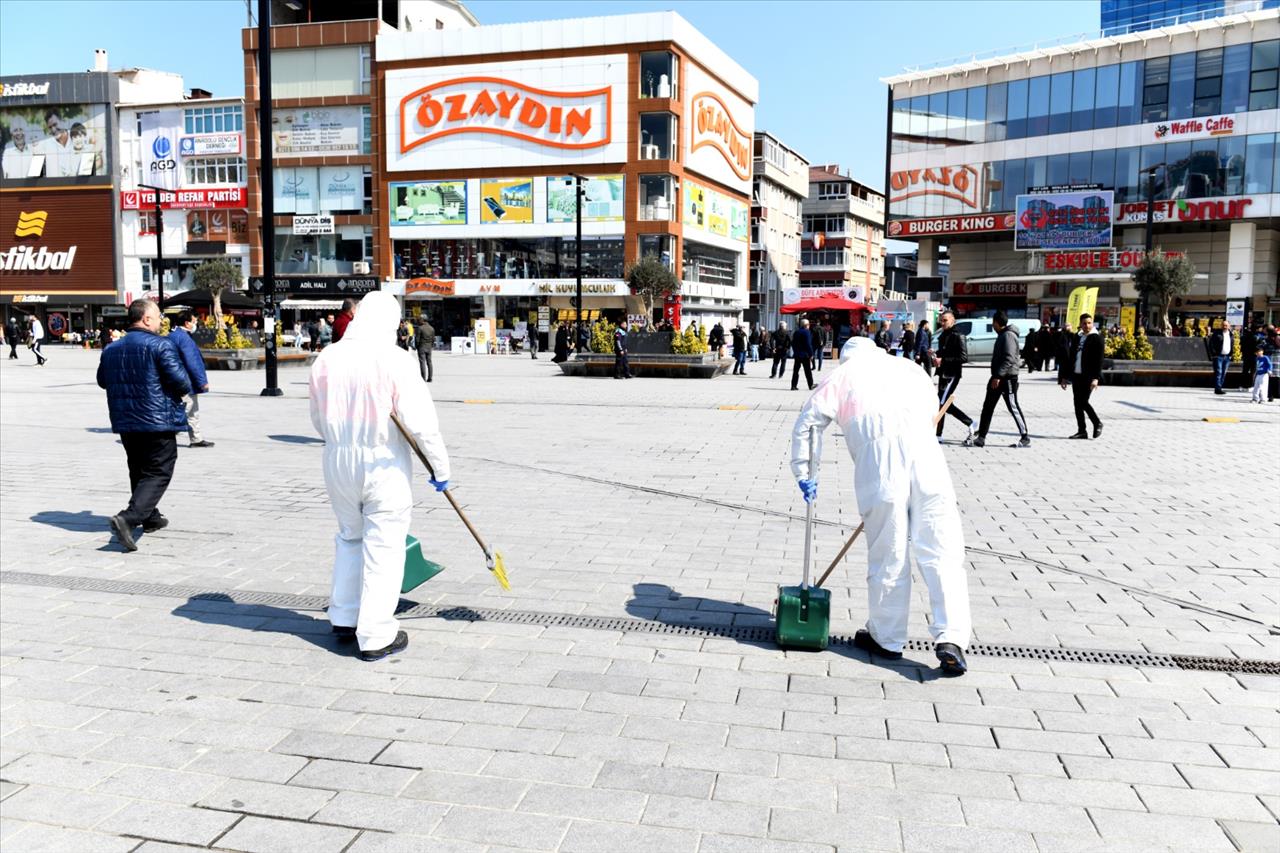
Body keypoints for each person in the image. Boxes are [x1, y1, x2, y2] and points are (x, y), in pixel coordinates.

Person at [791, 337, 972, 676]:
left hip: (880, 468)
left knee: (889, 551)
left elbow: (809, 424)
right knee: (941, 550)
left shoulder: (840, 377)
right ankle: (953, 638)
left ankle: (887, 639)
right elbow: (931, 405)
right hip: (929, 460)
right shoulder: (910, 368)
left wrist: (805, 472)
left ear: (845, 358)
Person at [309, 291, 452, 661]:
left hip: (338, 458)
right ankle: (375, 634)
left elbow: (316, 417)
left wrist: (339, 442)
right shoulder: (395, 359)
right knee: (384, 544)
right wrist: (440, 467)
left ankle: (344, 615)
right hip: (382, 460)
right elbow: (421, 423)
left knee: (350, 538)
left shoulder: (327, 357)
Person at [97, 299, 192, 552]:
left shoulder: (111, 349)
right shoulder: (161, 345)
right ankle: (128, 519)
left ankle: (149, 516)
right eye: (158, 316)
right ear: (146, 319)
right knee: (160, 468)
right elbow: (181, 382)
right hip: (156, 419)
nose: (162, 320)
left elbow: (102, 381)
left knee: (138, 468)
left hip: (125, 420)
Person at [973, 311, 1030, 448]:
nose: (992, 326)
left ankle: (1025, 436)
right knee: (988, 407)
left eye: (993, 323)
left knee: (1013, 406)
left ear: (997, 323)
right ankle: (981, 437)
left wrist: (998, 376)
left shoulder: (1008, 336)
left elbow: (1009, 358)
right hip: (997, 377)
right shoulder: (1003, 335)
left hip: (1007, 378)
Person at [168, 312, 215, 448]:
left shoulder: (171, 336)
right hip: (185, 380)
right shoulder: (184, 338)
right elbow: (192, 362)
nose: (195, 324)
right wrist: (201, 381)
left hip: (173, 379)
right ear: (187, 323)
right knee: (191, 410)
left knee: (175, 408)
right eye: (194, 321)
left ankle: (172, 433)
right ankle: (196, 439)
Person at [932, 310, 975, 445]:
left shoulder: (958, 335)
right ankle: (938, 434)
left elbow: (963, 357)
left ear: (953, 321)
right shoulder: (944, 335)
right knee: (941, 404)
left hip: (952, 374)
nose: (942, 323)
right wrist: (935, 354)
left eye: (945, 320)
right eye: (941, 320)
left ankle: (971, 423)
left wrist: (943, 360)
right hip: (943, 374)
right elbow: (945, 352)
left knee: (943, 404)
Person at [1060, 312, 1104, 439]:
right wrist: (1064, 377)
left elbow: (1099, 360)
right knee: (1077, 403)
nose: (1087, 325)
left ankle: (1097, 422)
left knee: (1083, 401)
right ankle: (1082, 431)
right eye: (1084, 323)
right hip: (1076, 376)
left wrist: (1096, 378)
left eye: (1089, 323)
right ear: (1080, 324)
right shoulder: (1077, 337)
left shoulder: (1097, 338)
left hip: (1088, 376)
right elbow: (1070, 358)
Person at [1206, 320, 1234, 395]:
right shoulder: (1217, 333)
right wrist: (1214, 354)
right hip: (1218, 356)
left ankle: (1219, 387)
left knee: (1224, 373)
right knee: (1219, 372)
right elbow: (1211, 344)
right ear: (1221, 326)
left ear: (1229, 326)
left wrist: (1231, 354)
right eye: (1223, 325)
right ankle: (1218, 389)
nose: (1225, 327)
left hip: (1227, 356)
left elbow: (1232, 344)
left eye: (1226, 325)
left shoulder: (1231, 334)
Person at [791, 318, 815, 391]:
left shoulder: (796, 332)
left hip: (797, 354)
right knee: (807, 370)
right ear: (807, 325)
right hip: (805, 355)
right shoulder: (807, 332)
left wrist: (795, 351)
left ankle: (793, 385)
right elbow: (808, 344)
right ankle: (811, 385)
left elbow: (793, 343)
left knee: (796, 371)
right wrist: (811, 354)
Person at [415, 317, 436, 381]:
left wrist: (417, 346)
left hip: (422, 347)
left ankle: (423, 378)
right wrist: (431, 346)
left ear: (422, 321)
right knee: (429, 362)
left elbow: (417, 340)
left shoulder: (420, 328)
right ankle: (430, 378)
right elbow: (433, 339)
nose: (418, 322)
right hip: (429, 347)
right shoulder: (432, 328)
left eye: (419, 321)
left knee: (422, 362)